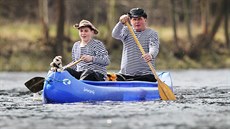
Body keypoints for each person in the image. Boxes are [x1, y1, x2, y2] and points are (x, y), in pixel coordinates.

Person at [112, 8, 160, 82]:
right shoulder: (126, 30)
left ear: (145, 19)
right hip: (125, 75)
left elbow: (154, 47)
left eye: (139, 19)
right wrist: (120, 23)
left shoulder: (152, 33)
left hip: (145, 75)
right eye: (134, 19)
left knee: (148, 78)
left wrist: (150, 55)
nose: (137, 22)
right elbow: (115, 35)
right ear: (130, 21)